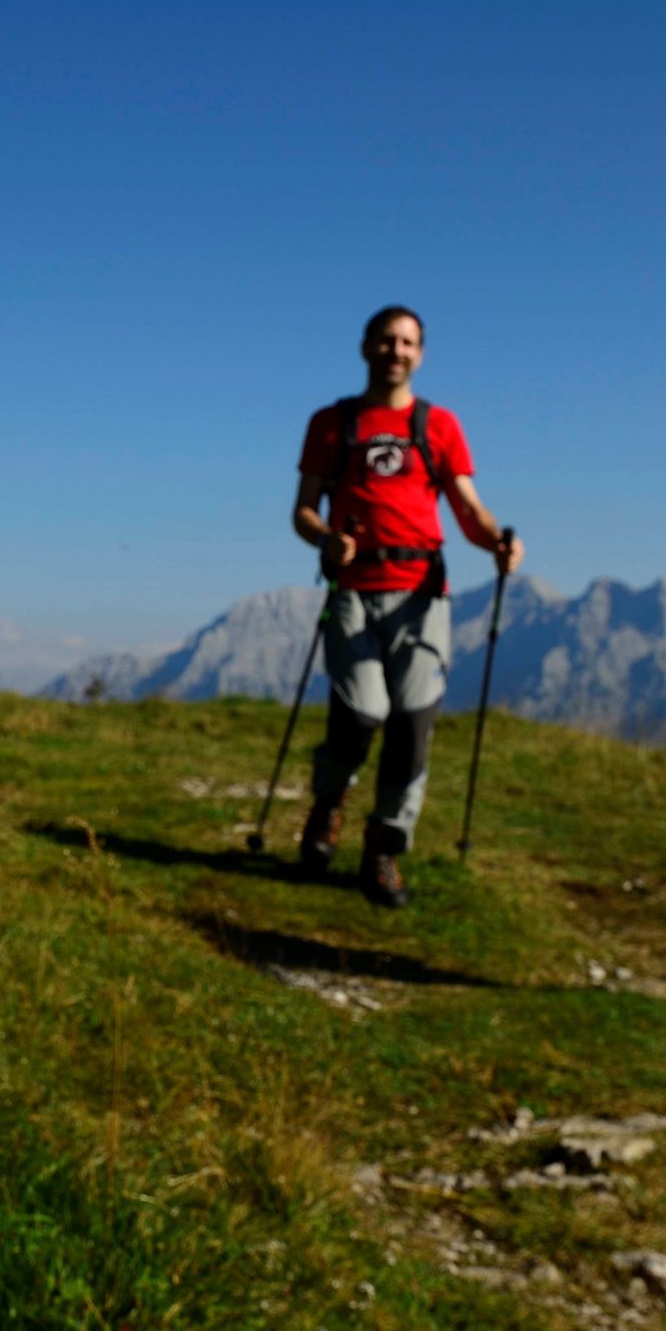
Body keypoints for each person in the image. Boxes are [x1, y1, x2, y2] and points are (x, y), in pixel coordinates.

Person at [291, 306, 523, 906]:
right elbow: (304, 510)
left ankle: (385, 848)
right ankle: (330, 801)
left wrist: (497, 540)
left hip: (423, 592)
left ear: (420, 354)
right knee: (362, 711)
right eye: (387, 341)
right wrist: (326, 540)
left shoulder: (438, 425)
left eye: (408, 343)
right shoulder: (332, 422)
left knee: (414, 722)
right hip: (354, 589)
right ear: (366, 346)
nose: (397, 351)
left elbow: (467, 507)